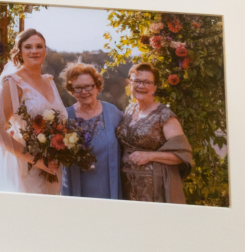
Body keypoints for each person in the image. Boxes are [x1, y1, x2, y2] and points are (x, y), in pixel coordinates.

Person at [0, 28, 67, 194]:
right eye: (28, 47)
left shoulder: (50, 82)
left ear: (45, 51)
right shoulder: (14, 83)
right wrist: (37, 160)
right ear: (20, 52)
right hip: (26, 170)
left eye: (39, 46)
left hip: (53, 168)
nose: (34, 51)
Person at [116, 63, 193, 203]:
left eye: (147, 82)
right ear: (130, 83)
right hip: (125, 185)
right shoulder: (129, 110)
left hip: (154, 189)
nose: (141, 86)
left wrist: (149, 155)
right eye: (137, 81)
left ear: (155, 87)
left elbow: (183, 154)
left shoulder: (165, 116)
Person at [60, 63, 122, 199]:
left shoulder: (113, 113)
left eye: (88, 86)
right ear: (72, 90)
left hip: (108, 187)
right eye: (78, 88)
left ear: (97, 86)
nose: (84, 92)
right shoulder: (65, 116)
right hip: (76, 187)